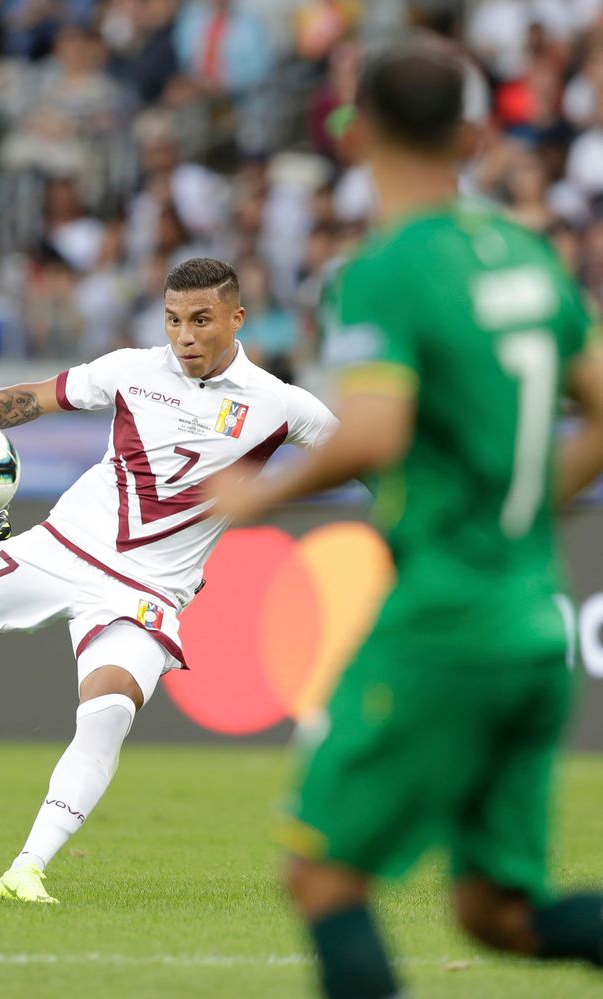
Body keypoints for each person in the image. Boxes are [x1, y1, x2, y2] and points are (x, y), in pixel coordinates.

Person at [211, 42, 603, 998]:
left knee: (323, 875)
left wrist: (251, 497)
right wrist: (518, 503)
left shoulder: (385, 269)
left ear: (357, 135)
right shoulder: (523, 251)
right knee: (495, 915)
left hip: (442, 625)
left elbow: (375, 432)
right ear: (471, 136)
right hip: (527, 624)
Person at [0, 256, 337, 904]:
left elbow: (368, 452)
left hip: (145, 594)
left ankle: (27, 868)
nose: (184, 335)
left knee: (107, 712)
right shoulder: (131, 371)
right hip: (64, 548)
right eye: (173, 320)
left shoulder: (279, 406)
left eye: (200, 320)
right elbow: (23, 398)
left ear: (236, 318)